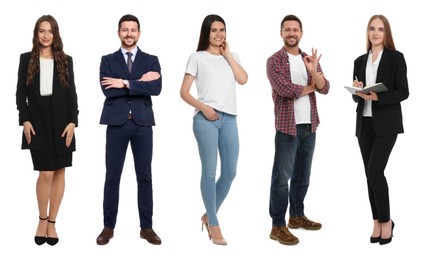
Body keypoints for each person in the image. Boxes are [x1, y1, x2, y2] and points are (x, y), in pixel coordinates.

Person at [180, 14, 248, 245]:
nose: (219, 34)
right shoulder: (196, 57)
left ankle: (208, 215)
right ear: (206, 33)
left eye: (222, 30)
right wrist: (204, 108)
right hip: (205, 119)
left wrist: (227, 53)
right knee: (210, 172)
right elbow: (184, 92)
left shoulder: (233, 56)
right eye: (214, 30)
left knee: (230, 172)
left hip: (230, 119)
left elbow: (243, 79)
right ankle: (215, 224)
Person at [95, 14, 162, 246]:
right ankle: (108, 226)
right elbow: (107, 90)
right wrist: (139, 82)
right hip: (116, 124)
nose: (129, 34)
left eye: (133, 30)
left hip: (142, 124)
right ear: (118, 33)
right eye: (125, 30)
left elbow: (156, 88)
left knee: (145, 177)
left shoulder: (151, 59)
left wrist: (124, 82)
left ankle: (146, 227)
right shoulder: (107, 60)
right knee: (112, 176)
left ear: (139, 33)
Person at [266, 14, 330, 245]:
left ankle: (296, 216)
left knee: (302, 176)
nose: (291, 33)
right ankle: (277, 225)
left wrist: (313, 72)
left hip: (310, 125)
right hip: (287, 127)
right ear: (281, 33)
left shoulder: (309, 59)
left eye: (295, 30)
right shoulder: (274, 61)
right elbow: (284, 89)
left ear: (301, 33)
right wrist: (310, 87)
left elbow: (325, 88)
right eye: (287, 30)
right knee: (282, 179)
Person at [15, 14, 79, 246]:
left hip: (63, 124)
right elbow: (20, 94)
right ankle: (42, 219)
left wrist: (73, 122)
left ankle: (53, 223)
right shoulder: (26, 59)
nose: (45, 35)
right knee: (45, 173)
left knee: (60, 172)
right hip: (38, 124)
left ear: (55, 34)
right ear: (36, 33)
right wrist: (25, 120)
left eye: (49, 31)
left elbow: (72, 94)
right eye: (42, 31)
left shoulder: (66, 60)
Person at [351, 14, 409, 245]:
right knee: (369, 175)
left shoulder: (396, 58)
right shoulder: (359, 61)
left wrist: (378, 97)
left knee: (376, 171)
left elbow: (403, 92)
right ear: (367, 32)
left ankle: (387, 221)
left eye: (380, 29)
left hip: (387, 123)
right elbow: (358, 99)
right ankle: (376, 220)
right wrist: (358, 92)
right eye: (372, 29)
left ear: (386, 33)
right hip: (364, 123)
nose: (375, 33)